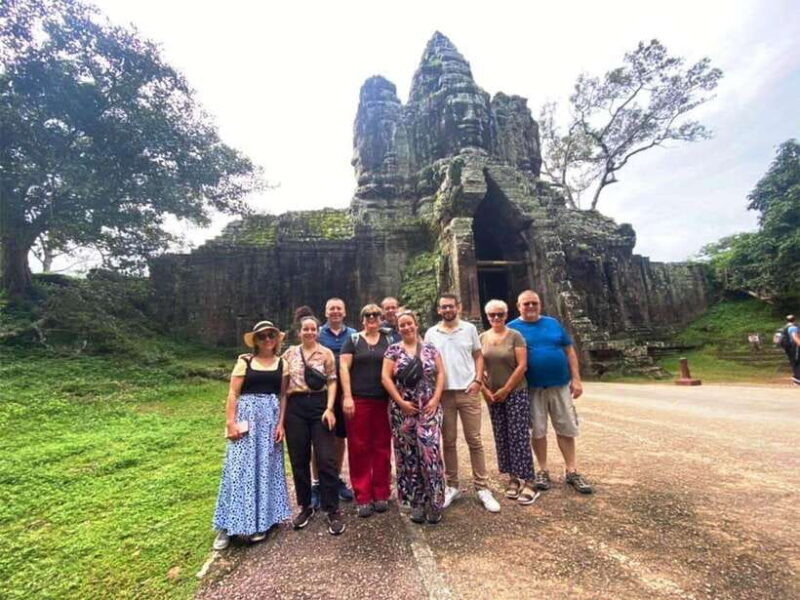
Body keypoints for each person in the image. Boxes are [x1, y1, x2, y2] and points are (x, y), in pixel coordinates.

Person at [212, 321, 292, 550]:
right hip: (246, 420)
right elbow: (233, 393)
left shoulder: (282, 364)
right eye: (262, 336)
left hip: (269, 422)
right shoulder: (245, 362)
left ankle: (261, 522)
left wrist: (281, 424)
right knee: (237, 471)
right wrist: (230, 423)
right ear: (255, 340)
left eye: (271, 336)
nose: (267, 340)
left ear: (277, 339)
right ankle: (227, 526)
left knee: (265, 470)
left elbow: (283, 396)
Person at [508, 290, 593, 494]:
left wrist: (577, 379)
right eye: (526, 303)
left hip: (560, 385)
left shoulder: (553, 323)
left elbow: (569, 351)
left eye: (534, 303)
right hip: (532, 388)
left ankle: (571, 470)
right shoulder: (512, 329)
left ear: (540, 304)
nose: (530, 307)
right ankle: (542, 470)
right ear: (518, 306)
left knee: (566, 427)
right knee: (538, 430)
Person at [424, 293, 500, 513]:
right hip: (444, 393)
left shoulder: (469, 329)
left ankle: (482, 487)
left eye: (451, 306)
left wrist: (478, 379)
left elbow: (478, 355)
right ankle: (452, 485)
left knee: (474, 440)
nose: (447, 310)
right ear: (438, 310)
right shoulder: (431, 333)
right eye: (443, 307)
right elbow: (428, 362)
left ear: (458, 307)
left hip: (468, 390)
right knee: (448, 441)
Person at [283, 316, 346, 535]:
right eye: (305, 329)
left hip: (320, 405)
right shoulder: (289, 354)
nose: (309, 332)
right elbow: (280, 380)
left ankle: (332, 508)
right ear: (299, 332)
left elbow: (332, 380)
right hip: (295, 407)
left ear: (318, 331)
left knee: (326, 458)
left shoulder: (326, 353)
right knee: (299, 458)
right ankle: (305, 506)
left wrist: (330, 408)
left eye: (313, 329)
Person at [382, 310, 446, 524]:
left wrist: (436, 398)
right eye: (402, 325)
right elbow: (386, 378)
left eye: (410, 323)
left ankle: (435, 501)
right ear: (398, 329)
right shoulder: (393, 350)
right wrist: (400, 403)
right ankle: (416, 502)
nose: (407, 327)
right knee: (407, 455)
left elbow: (441, 373)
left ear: (416, 325)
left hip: (428, 406)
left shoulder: (430, 348)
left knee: (430, 451)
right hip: (403, 409)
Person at [479, 299, 538, 505]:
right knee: (502, 435)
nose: (496, 318)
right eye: (492, 315)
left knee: (519, 435)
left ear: (506, 315)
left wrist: (506, 389)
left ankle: (530, 481)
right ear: (487, 317)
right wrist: (485, 390)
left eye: (500, 314)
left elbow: (522, 366)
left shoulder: (515, 336)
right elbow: (478, 368)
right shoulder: (482, 338)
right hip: (493, 395)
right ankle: (513, 478)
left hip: (515, 391)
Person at [340, 304, 394, 517]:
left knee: (382, 446)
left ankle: (381, 493)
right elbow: (344, 368)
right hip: (359, 400)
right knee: (359, 447)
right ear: (362, 319)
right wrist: (347, 396)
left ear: (381, 319)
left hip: (383, 400)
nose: (372, 318)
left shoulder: (389, 340)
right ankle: (362, 495)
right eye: (367, 315)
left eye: (375, 315)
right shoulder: (353, 341)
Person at [315, 298, 357, 504]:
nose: (335, 312)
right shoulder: (317, 334)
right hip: (322, 393)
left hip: (346, 392)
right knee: (320, 437)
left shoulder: (353, 335)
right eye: (331, 308)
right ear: (325, 312)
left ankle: (336, 479)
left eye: (339, 308)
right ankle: (317, 483)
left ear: (345, 312)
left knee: (340, 437)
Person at [778, 315, 800, 385]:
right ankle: (797, 379)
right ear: (794, 320)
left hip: (788, 348)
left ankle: (796, 379)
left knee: (794, 362)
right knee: (797, 362)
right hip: (794, 347)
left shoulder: (784, 327)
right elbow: (795, 337)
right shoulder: (793, 328)